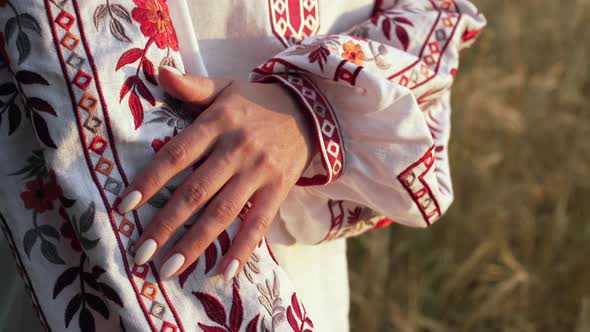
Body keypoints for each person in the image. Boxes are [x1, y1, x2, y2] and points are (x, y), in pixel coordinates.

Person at [0, 0, 485, 331]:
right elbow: (72, 68)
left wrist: (310, 110)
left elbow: (432, 19)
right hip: (116, 290)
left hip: (308, 287)